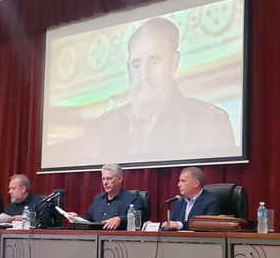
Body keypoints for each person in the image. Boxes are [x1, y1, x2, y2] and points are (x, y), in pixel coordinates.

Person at [93, 17, 238, 160]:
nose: (144, 75)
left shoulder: (210, 121)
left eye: (154, 61)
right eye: (136, 64)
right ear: (128, 68)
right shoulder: (109, 125)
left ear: (174, 62)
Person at [65, 163, 148, 258]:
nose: (105, 182)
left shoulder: (132, 199)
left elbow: (141, 218)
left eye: (109, 179)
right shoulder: (98, 199)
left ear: (119, 179)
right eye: (103, 179)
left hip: (120, 250)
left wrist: (121, 219)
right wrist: (76, 217)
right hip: (96, 247)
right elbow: (89, 220)